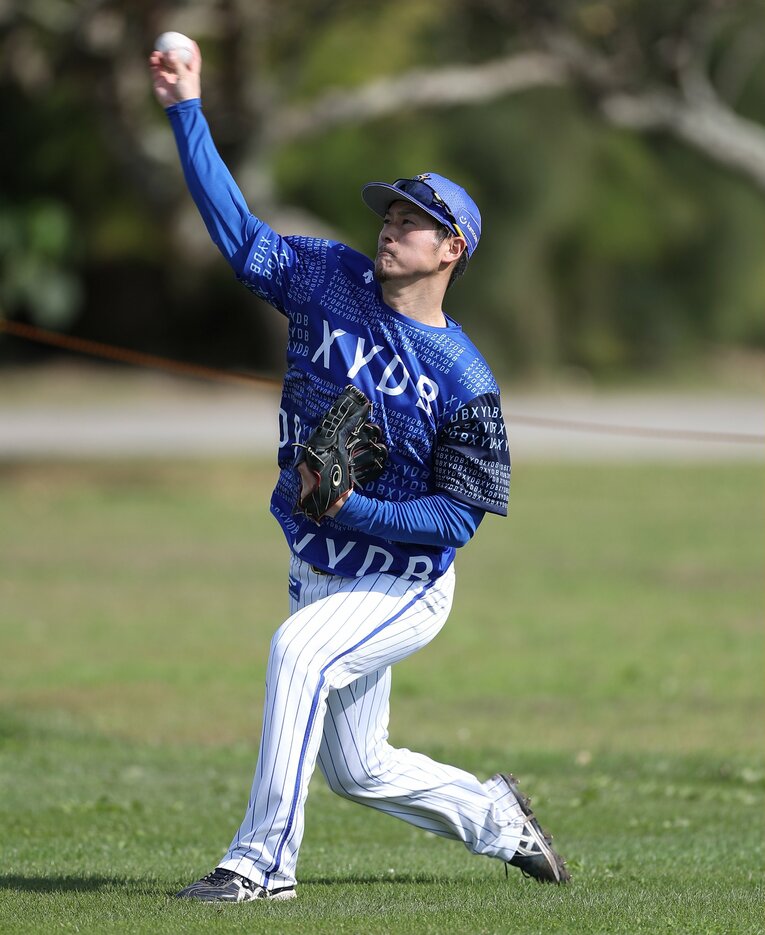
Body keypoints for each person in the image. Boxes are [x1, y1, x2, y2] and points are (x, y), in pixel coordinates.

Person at [149, 40, 570, 902]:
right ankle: (496, 818)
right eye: (388, 212)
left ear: (450, 248)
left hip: (406, 584)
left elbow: (455, 523)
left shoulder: (466, 382)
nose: (390, 225)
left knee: (297, 655)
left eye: (412, 219)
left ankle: (261, 865)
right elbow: (240, 236)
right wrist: (185, 111)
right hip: (319, 564)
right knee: (358, 766)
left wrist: (351, 505)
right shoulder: (328, 281)